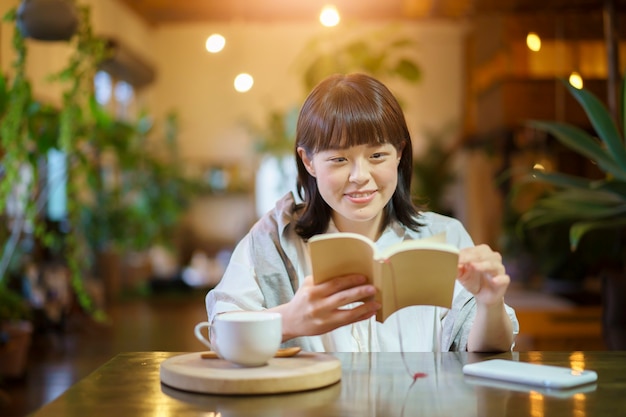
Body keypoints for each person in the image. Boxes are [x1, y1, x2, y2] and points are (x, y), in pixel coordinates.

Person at [206, 73, 519, 352]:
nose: (360, 176)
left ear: (399, 153)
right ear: (309, 161)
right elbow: (220, 335)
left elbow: (487, 349)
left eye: (377, 155)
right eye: (339, 159)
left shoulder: (445, 237)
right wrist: (288, 320)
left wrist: (490, 302)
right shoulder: (273, 241)